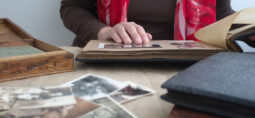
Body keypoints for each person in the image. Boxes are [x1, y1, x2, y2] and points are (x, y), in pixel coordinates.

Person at [60, 0, 234, 47]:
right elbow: (72, 7)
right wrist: (104, 31)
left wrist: (247, 29)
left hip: (188, 64)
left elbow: (221, 14)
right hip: (108, 59)